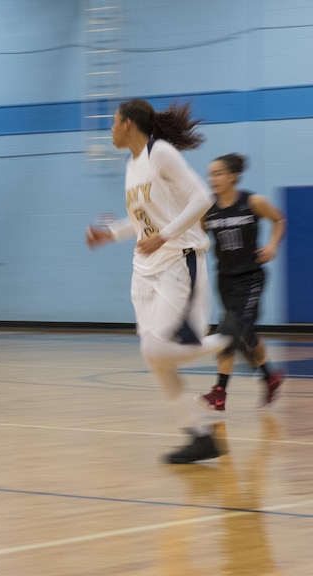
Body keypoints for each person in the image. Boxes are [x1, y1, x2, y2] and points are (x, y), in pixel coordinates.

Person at [86, 99, 249, 464]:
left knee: (156, 351)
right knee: (156, 358)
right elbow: (144, 221)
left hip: (179, 262)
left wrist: (165, 236)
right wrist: (109, 234)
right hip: (145, 270)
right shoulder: (132, 165)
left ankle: (229, 336)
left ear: (128, 124)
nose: (109, 129)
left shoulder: (160, 153)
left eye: (113, 122)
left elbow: (202, 198)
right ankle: (200, 435)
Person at [197, 153, 286, 411]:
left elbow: (279, 219)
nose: (213, 179)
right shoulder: (207, 209)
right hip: (224, 280)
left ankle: (219, 392)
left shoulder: (253, 201)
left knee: (230, 331)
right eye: (211, 174)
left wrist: (272, 245)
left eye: (218, 173)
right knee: (241, 334)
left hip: (251, 278)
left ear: (233, 176)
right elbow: (197, 237)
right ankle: (270, 377)